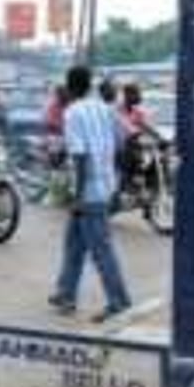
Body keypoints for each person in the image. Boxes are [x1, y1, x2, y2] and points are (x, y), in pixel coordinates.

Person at [49, 65, 132, 322]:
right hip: (105, 185)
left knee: (100, 249)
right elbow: (124, 139)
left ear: (70, 86)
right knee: (73, 242)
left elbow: (80, 155)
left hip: (89, 191)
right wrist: (115, 177)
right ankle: (66, 293)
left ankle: (119, 301)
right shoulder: (105, 109)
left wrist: (78, 196)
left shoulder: (72, 113)